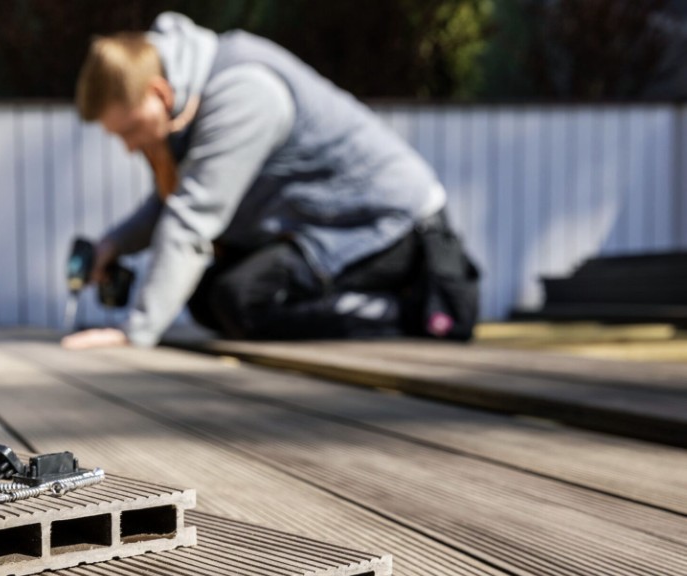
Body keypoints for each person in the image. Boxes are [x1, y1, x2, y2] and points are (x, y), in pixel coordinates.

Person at [62, 12, 480, 351]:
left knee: (239, 299)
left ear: (160, 93)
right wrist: (112, 245)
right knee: (207, 297)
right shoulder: (192, 96)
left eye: (129, 130)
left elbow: (193, 216)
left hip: (385, 224)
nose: (130, 147)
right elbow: (172, 204)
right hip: (320, 227)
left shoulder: (242, 92)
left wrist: (135, 334)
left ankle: (415, 311)